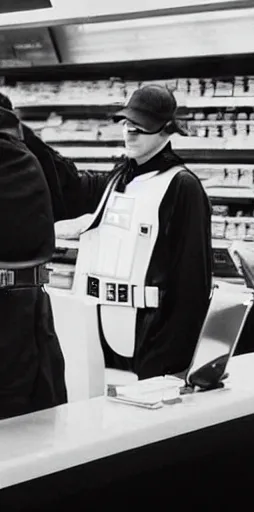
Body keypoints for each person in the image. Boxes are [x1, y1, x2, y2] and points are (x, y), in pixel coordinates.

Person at [50, 85, 215, 380]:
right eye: (128, 125)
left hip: (152, 336)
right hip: (100, 327)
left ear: (166, 131)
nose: (131, 134)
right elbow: (69, 182)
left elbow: (193, 279)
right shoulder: (119, 177)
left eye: (142, 128)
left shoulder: (182, 186)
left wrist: (173, 358)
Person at [0, 96, 67, 419]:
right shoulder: (25, 153)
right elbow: (67, 189)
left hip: (16, 310)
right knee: (34, 412)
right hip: (29, 307)